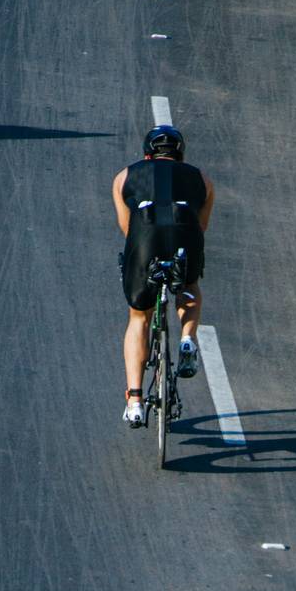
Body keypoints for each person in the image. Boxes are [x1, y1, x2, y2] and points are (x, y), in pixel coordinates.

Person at [113, 125, 215, 428]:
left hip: (145, 235)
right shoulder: (202, 179)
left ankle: (134, 401)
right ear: (180, 154)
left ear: (147, 153)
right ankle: (187, 339)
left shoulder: (124, 177)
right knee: (189, 285)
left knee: (138, 316)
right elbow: (202, 227)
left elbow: (126, 229)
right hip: (186, 231)